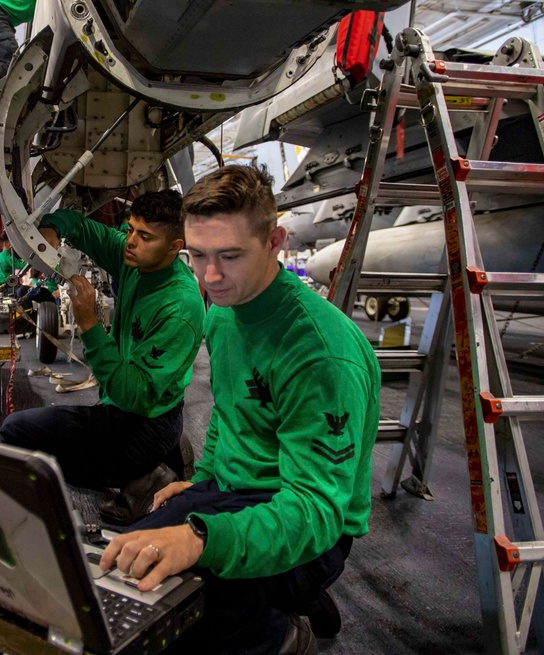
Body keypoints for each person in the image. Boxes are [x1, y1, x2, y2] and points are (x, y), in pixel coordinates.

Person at [98, 166, 381, 655]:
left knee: (187, 608)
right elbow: (231, 412)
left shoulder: (320, 355)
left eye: (229, 256)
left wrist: (202, 537)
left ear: (275, 241)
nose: (209, 276)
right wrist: (204, 478)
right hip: (233, 492)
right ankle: (270, 607)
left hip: (309, 523)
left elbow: (315, 511)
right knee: (127, 567)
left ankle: (284, 634)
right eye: (198, 255)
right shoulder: (225, 310)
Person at [0, 190, 206, 525]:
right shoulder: (135, 258)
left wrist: (90, 325)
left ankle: (144, 473)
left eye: (145, 236)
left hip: (142, 422)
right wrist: (50, 229)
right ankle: (149, 466)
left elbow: (133, 394)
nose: (131, 242)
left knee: (16, 433)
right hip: (125, 406)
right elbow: (80, 227)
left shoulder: (179, 306)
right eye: (131, 230)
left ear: (174, 246)